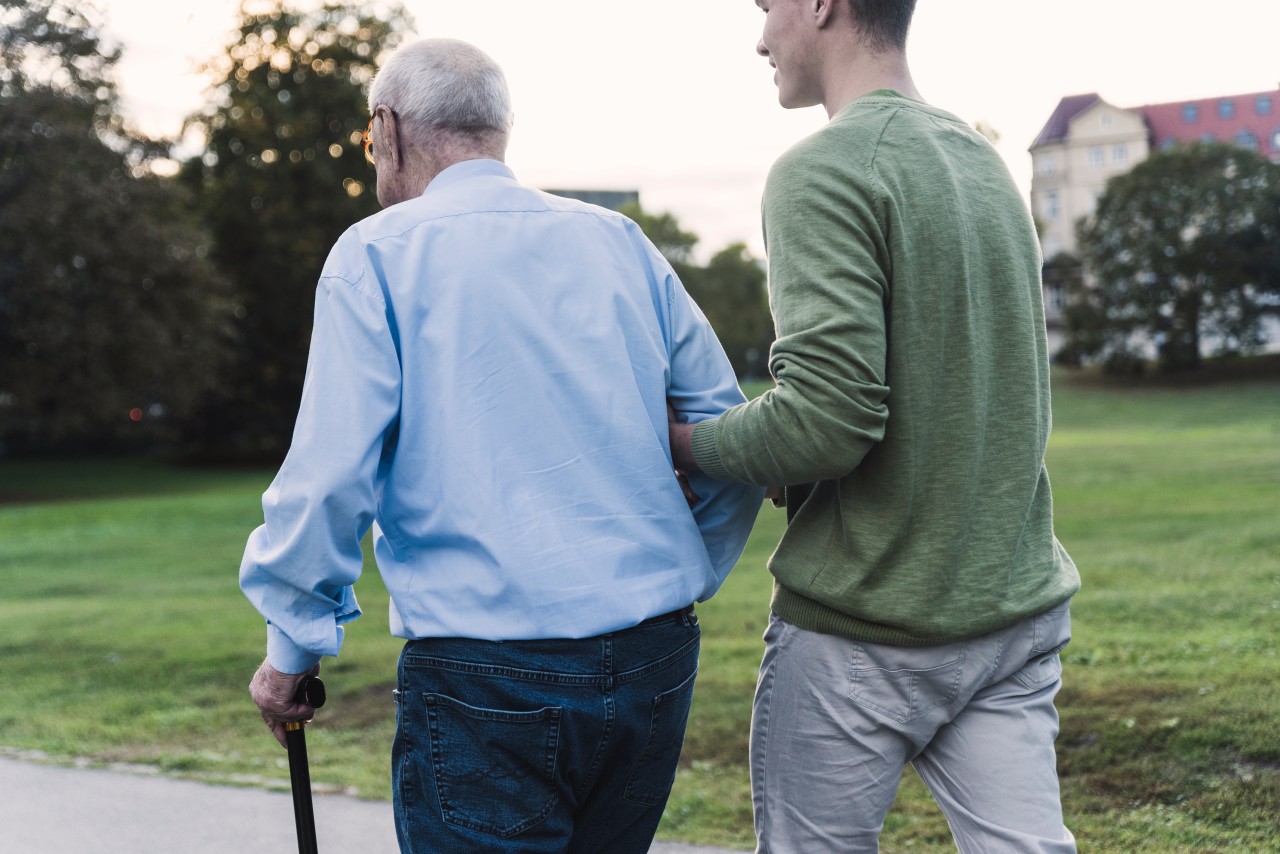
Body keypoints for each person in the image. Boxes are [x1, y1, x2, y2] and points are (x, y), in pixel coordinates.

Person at [241, 38, 763, 854]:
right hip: (653, 659)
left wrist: (291, 649)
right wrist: (681, 569)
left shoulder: (376, 253)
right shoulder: (619, 243)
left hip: (487, 675)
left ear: (387, 127)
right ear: (499, 129)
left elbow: (330, 477)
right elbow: (731, 436)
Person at [668, 1, 1082, 851]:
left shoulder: (822, 170)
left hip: (864, 637)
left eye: (765, 7)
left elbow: (826, 420)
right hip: (1007, 617)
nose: (759, 38)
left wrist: (686, 444)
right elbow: (941, 386)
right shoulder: (984, 163)